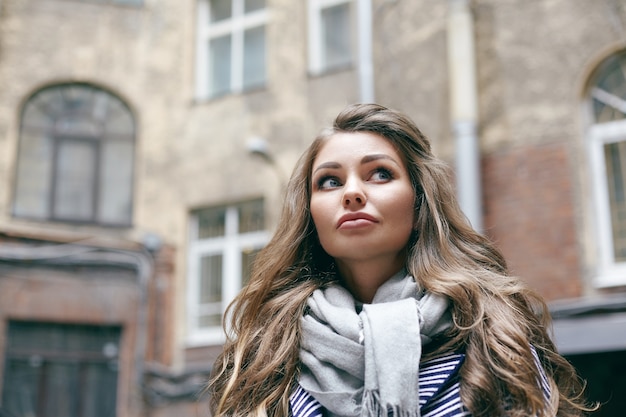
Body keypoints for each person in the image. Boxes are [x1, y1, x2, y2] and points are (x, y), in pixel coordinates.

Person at [207, 104, 592, 417]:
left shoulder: (491, 329)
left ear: (418, 199)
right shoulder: (269, 350)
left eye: (379, 174)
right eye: (330, 181)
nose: (352, 192)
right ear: (309, 213)